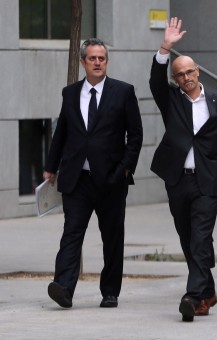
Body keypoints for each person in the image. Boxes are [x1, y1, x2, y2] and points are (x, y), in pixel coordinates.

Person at [149, 17, 217, 322]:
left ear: (198, 72)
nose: (186, 76)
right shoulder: (171, 101)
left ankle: (191, 296)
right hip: (178, 180)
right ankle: (207, 292)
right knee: (188, 238)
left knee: (201, 238)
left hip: (208, 181)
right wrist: (165, 48)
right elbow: (154, 81)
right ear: (176, 79)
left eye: (190, 71)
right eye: (180, 74)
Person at [44, 38, 143, 309]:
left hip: (111, 179)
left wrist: (124, 169)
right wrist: (51, 167)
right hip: (77, 180)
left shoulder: (123, 92)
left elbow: (135, 135)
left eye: (102, 58)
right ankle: (63, 287)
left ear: (106, 62)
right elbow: (61, 132)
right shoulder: (70, 93)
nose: (97, 62)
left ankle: (110, 290)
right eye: (92, 58)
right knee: (71, 233)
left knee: (112, 237)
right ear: (83, 61)